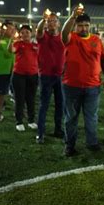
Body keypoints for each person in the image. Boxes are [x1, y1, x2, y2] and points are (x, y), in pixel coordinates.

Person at [61, 7, 104, 156]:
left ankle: (92, 142)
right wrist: (72, 17)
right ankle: (69, 145)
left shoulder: (96, 40)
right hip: (71, 86)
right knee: (71, 118)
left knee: (91, 116)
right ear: (76, 26)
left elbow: (103, 59)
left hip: (93, 87)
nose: (84, 28)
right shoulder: (71, 38)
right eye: (80, 25)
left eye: (86, 25)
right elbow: (63, 33)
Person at [36, 11, 65, 143]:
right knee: (44, 105)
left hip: (60, 76)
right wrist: (43, 20)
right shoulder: (43, 35)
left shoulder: (63, 37)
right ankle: (40, 133)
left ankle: (58, 129)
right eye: (49, 21)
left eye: (54, 21)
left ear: (59, 23)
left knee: (60, 105)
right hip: (46, 76)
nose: (52, 23)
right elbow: (39, 30)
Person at [9, 24, 39, 132]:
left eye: (27, 32)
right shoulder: (18, 43)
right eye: (22, 32)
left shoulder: (36, 45)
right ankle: (19, 121)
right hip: (19, 75)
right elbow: (11, 50)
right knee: (19, 99)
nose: (25, 34)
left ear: (31, 33)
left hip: (33, 75)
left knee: (31, 99)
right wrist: (11, 40)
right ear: (20, 35)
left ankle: (31, 121)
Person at [0, 20, 16, 122]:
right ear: (3, 29)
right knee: (2, 93)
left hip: (15, 70)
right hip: (3, 70)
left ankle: (18, 112)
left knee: (17, 93)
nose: (12, 30)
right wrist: (1, 36)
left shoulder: (15, 40)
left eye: (12, 28)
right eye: (9, 28)